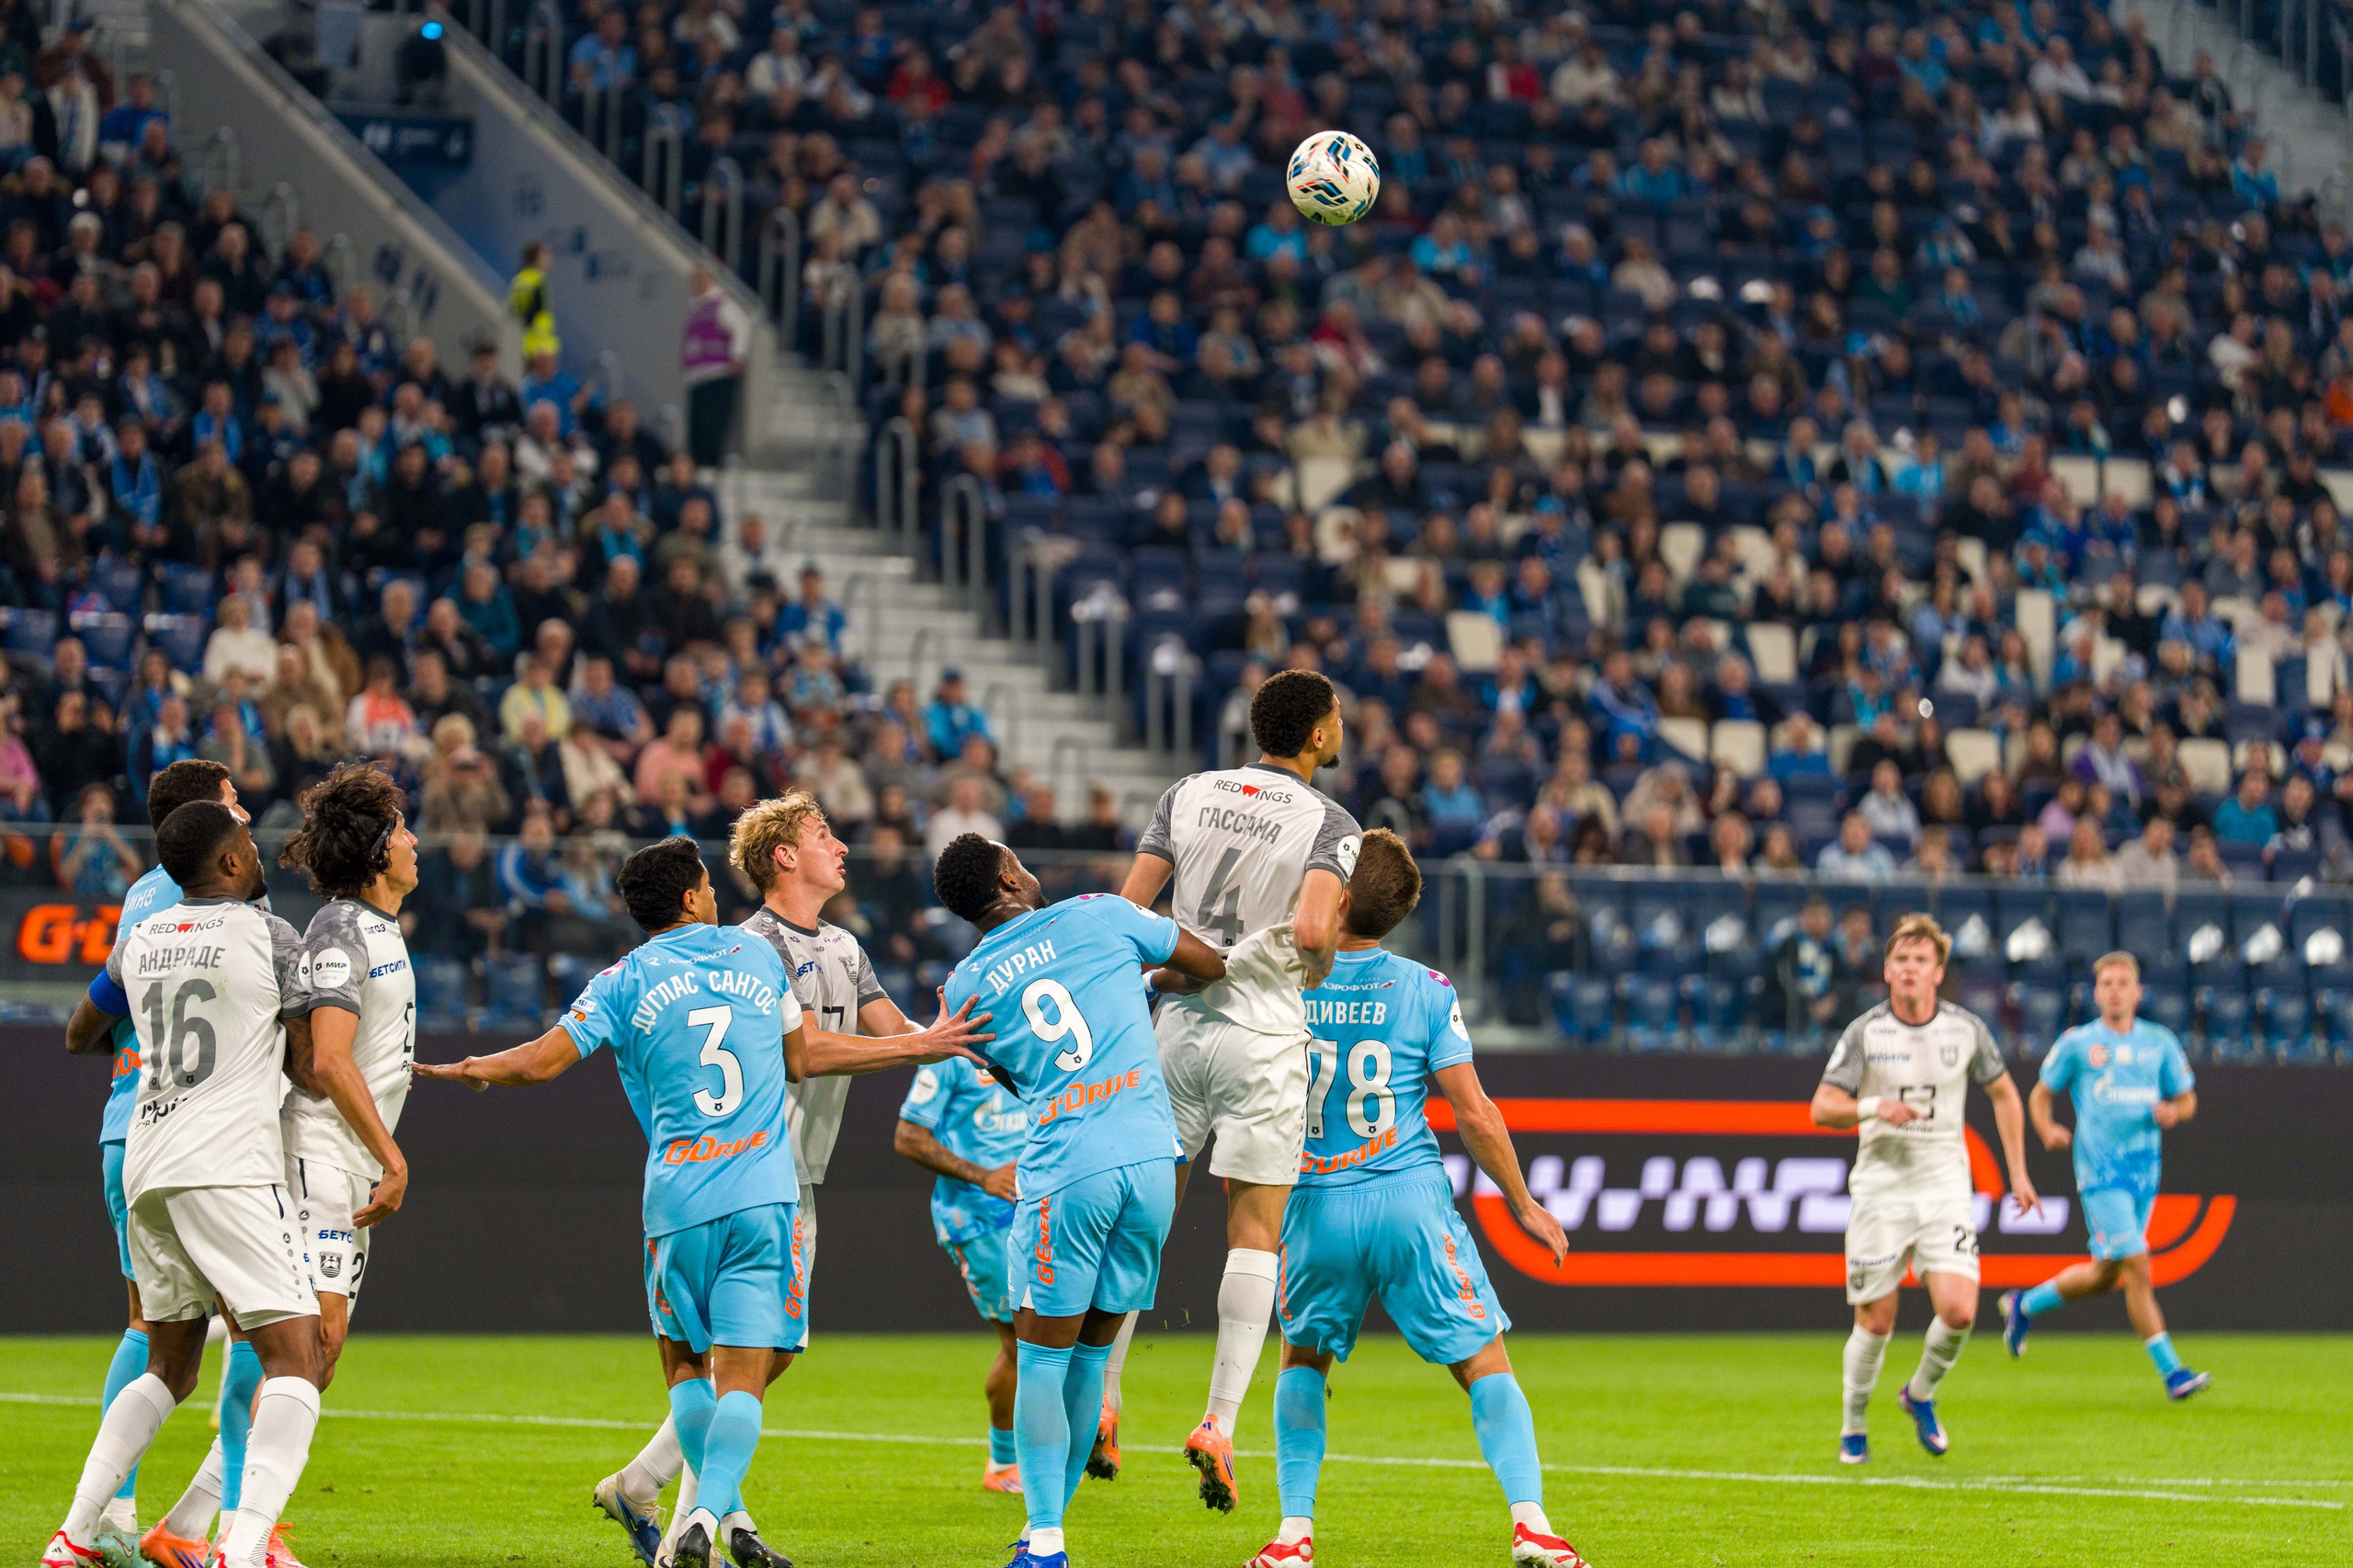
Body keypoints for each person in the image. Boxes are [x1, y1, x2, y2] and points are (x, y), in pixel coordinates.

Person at [585, 794, 996, 1564]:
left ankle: (655, 1492)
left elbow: (893, 1030)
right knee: (745, 1356)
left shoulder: (843, 945)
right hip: (748, 1176)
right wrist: (920, 1049)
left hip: (796, 1177)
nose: (841, 846)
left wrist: (965, 1044)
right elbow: (803, 1050)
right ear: (782, 855)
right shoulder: (742, 949)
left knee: (766, 1357)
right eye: (822, 835)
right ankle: (695, 1524)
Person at [415, 839, 807, 1568]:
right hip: (762, 1195)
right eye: (706, 885)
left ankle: (714, 1517)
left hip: (678, 1199)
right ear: (691, 898)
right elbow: (803, 1056)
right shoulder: (759, 959)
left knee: (687, 1366)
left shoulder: (621, 980)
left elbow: (540, 1062)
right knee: (746, 1375)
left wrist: (474, 1067)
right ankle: (714, 1515)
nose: (716, 895)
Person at [1244, 829, 1591, 1568]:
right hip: (1407, 1199)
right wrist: (1525, 1204)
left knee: (1302, 1362)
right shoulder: (1427, 990)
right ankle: (1532, 1524)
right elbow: (1474, 1113)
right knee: (1484, 1363)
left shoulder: (1281, 976)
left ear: (1334, 893)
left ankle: (1293, 1536)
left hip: (1315, 1200)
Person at [44, 802, 378, 1568]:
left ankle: (72, 1537)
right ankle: (244, 1545)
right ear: (227, 863)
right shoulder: (270, 934)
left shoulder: (139, 941)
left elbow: (79, 1031)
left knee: (171, 1362)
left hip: (149, 1162)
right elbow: (307, 1065)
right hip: (228, 1166)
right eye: (249, 849)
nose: (259, 857)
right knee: (298, 1356)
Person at [933, 832, 1227, 1568]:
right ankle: (1045, 1530)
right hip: (1151, 1161)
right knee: (1092, 1353)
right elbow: (1207, 966)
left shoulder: (966, 984)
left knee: (1041, 1355)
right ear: (1008, 874)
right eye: (1020, 860)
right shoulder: (1102, 913)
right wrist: (1148, 982)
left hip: (1070, 1169)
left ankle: (1046, 1540)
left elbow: (1013, 1080)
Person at [1117, 668, 1360, 1509]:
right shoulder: (1330, 821)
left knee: (1146, 1217)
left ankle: (1105, 1404)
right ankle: (1217, 1423)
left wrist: (1172, 965)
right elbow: (1314, 929)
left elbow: (1130, 911)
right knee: (1255, 1233)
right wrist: (1315, 965)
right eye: (1337, 721)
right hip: (1262, 1035)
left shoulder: (1187, 792)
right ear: (1319, 735)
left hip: (1177, 1028)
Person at [58, 761, 249, 1567]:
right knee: (264, 1329)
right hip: (200, 1134)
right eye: (234, 805)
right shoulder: (220, 890)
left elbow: (92, 1021)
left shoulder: (141, 895)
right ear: (208, 823)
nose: (245, 817)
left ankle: (116, 1510)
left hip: (125, 1126)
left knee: (147, 1324)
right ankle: (242, 1525)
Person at [1811, 913, 2040, 1465]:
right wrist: (1872, 1106)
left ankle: (1919, 1395)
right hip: (1882, 1189)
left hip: (1943, 1187)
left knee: (1960, 1311)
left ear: (1938, 973)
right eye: (1901, 960)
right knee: (1876, 1320)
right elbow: (1822, 1108)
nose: (1910, 969)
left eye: (1921, 960)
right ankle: (1854, 1421)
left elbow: (2006, 1094)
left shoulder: (1965, 1031)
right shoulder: (1867, 1032)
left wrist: (2018, 1171)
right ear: (1887, 970)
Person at [2000, 953, 2210, 1399]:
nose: (2115, 990)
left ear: (2138, 992)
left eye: (2123, 983)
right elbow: (2040, 1094)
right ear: (2096, 994)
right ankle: (2173, 1373)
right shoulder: (2079, 1044)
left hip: (2144, 1174)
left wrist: (2174, 1110)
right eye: (2107, 983)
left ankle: (2024, 1303)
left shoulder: (2160, 1042)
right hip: (2099, 1173)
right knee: (2137, 1265)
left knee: (2103, 1274)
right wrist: (2045, 1127)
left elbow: (2189, 1101)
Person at [274, 764, 422, 1383]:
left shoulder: (379, 927)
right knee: (310, 1353)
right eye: (404, 829)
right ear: (379, 848)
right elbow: (328, 1060)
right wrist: (393, 1159)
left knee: (314, 1359)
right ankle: (244, 1485)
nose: (415, 842)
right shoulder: (341, 929)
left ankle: (234, 1484)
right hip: (321, 1155)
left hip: (347, 1165)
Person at [894, 1049, 1030, 1493]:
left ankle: (1028, 1457)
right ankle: (1004, 1463)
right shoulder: (949, 1056)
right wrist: (984, 1175)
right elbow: (909, 1136)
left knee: (1046, 1337)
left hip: (1036, 1209)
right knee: (1022, 1342)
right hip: (977, 1218)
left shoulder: (1031, 1041)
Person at [681, 267, 751, 467]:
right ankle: (697, 460)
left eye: (701, 280)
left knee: (714, 422)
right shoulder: (695, 307)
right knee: (698, 424)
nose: (697, 284)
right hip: (696, 375)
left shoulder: (721, 304)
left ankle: (712, 460)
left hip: (717, 372)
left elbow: (741, 326)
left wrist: (737, 357)